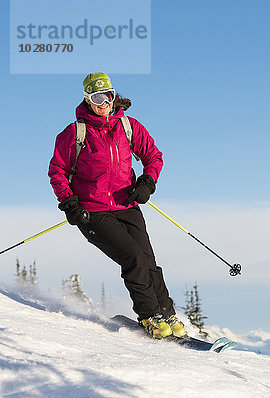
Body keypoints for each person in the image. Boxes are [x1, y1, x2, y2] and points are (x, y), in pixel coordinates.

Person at [48, 72, 186, 339]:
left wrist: (147, 182)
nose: (105, 103)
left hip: (126, 205)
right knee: (132, 257)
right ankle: (150, 316)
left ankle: (167, 313)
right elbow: (57, 171)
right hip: (92, 212)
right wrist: (70, 204)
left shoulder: (128, 126)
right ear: (88, 99)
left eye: (108, 96)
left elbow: (154, 156)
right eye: (98, 97)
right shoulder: (75, 133)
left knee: (148, 260)